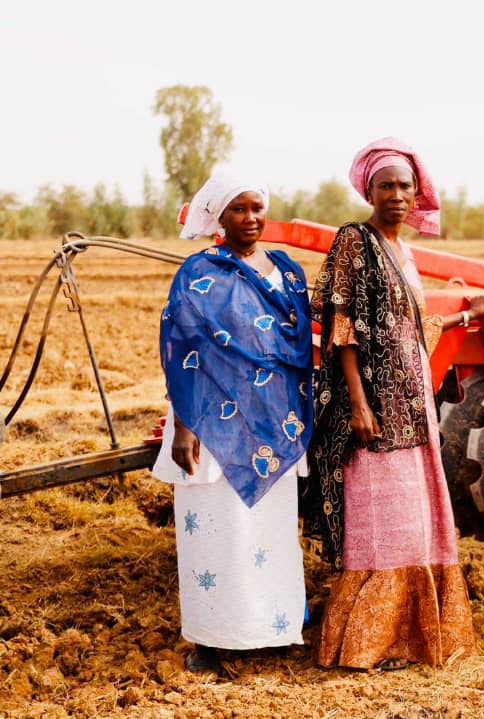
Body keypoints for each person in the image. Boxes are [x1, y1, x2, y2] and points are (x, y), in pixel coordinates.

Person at [304, 137, 484, 671]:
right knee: (379, 522)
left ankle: (408, 637)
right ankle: (366, 641)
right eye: (385, 185)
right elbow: (341, 329)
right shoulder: (354, 241)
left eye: (404, 186)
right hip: (374, 409)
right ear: (369, 189)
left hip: (413, 403)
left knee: (415, 519)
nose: (396, 194)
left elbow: (406, 330)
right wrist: (360, 405)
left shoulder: (404, 254)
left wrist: (464, 318)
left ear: (417, 195)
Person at [153, 172, 314, 673]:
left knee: (270, 533)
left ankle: (272, 627)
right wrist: (184, 427)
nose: (251, 219)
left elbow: (300, 345)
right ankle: (212, 639)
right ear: (218, 217)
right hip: (212, 424)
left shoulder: (286, 272)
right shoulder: (200, 271)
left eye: (257, 208)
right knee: (217, 532)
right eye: (239, 209)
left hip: (273, 425)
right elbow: (182, 349)